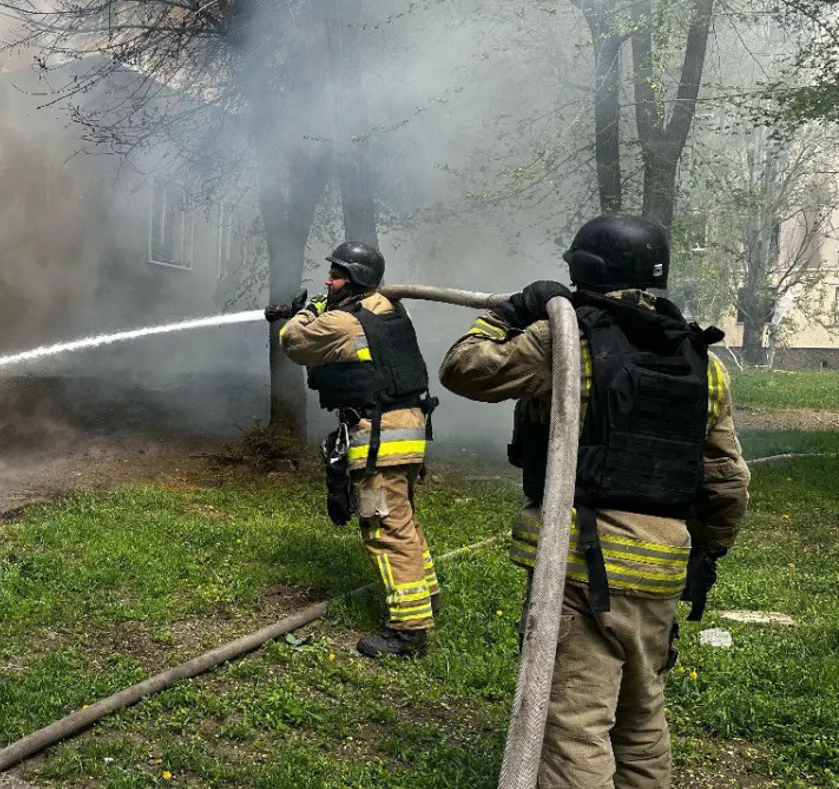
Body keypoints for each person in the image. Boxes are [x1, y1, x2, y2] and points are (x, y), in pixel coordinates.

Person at [438, 215, 751, 787]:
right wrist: (705, 550)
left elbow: (463, 367)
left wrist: (511, 312)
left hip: (581, 569)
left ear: (585, 269)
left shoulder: (564, 338)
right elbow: (727, 480)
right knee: (640, 717)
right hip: (662, 568)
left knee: (574, 729)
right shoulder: (700, 360)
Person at [265, 241, 440, 658]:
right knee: (403, 520)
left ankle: (409, 631)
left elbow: (293, 343)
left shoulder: (342, 323)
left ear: (357, 280)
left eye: (337, 274)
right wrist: (329, 301)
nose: (329, 279)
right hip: (408, 431)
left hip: (380, 437)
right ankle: (426, 596)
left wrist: (305, 311)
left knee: (385, 527)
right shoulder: (390, 309)